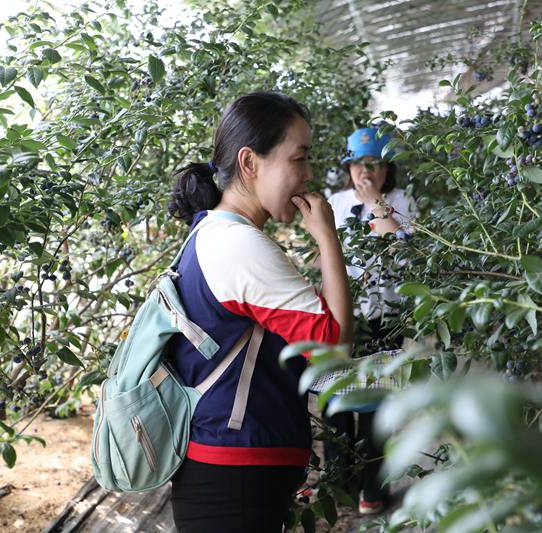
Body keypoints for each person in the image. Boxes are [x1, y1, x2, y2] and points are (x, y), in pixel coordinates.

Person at [165, 91, 353, 533]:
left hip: (231, 468)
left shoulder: (214, 231)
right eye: (299, 159)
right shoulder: (239, 244)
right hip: (233, 478)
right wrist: (328, 239)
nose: (308, 176)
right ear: (250, 163)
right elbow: (334, 352)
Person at [323, 126, 417, 515]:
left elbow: (405, 257)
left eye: (377, 164)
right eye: (362, 163)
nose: (368, 171)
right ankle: (338, 481)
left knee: (377, 406)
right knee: (337, 403)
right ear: (350, 165)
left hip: (384, 319)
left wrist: (377, 203)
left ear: (387, 168)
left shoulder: (402, 201)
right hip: (343, 316)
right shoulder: (336, 201)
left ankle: (372, 489)